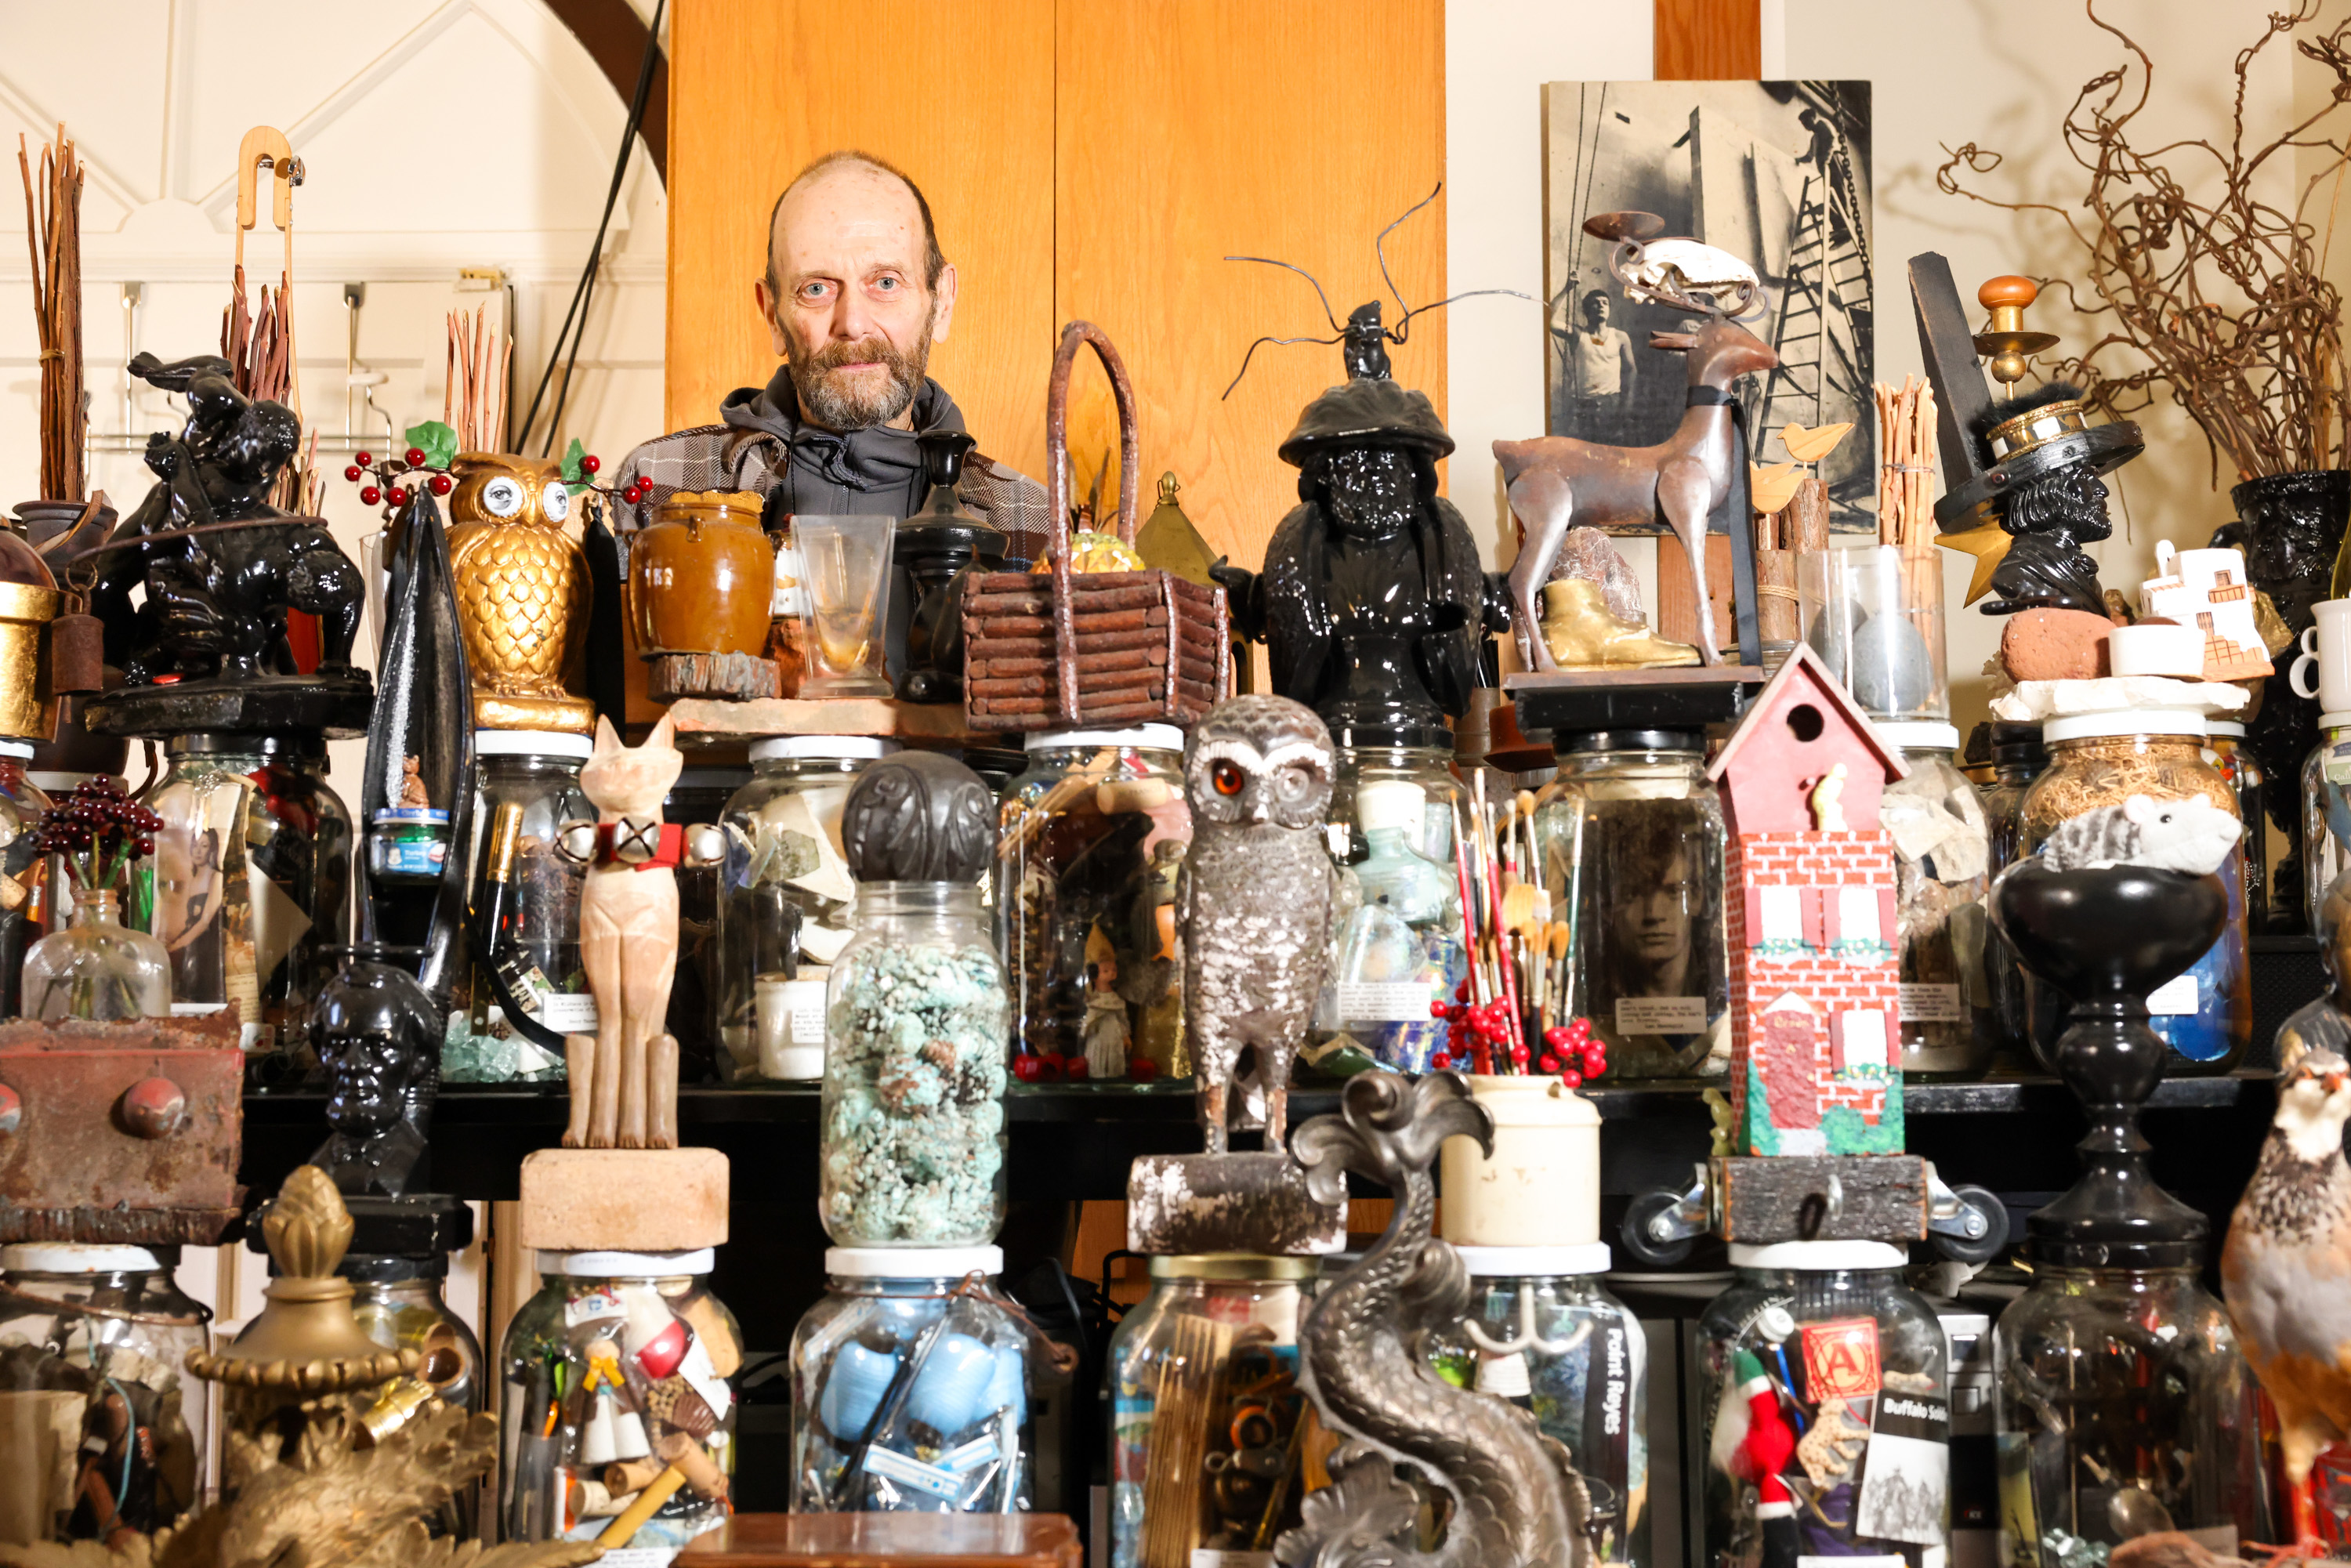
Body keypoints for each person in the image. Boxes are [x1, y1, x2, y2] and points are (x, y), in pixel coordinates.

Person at [615, 150, 1044, 549]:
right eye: (816, 288)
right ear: (772, 316)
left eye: (886, 283)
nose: (853, 324)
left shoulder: (1031, 523)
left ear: (942, 302)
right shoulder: (657, 488)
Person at [1552, 289, 1638, 431]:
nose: (1601, 306)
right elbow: (1549, 321)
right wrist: (1567, 288)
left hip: (1611, 403)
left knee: (1609, 449)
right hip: (1583, 404)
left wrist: (1627, 404)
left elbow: (1631, 370)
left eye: (1605, 303)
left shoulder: (1620, 337)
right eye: (1596, 303)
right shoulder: (1577, 333)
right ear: (1586, 310)